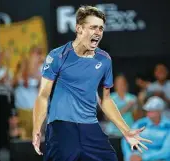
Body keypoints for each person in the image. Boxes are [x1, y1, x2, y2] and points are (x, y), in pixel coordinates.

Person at [33, 6, 152, 161]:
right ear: (79, 29)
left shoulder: (104, 60)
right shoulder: (57, 56)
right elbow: (43, 96)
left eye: (101, 28)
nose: (98, 32)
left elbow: (106, 99)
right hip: (62, 126)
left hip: (90, 127)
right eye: (93, 27)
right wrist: (37, 127)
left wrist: (126, 131)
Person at [121, 96, 170, 161]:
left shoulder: (168, 126)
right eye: (148, 111)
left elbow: (166, 151)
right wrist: (129, 155)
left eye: (151, 111)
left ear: (159, 112)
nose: (148, 113)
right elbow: (126, 139)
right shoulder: (140, 123)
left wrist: (143, 158)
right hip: (139, 156)